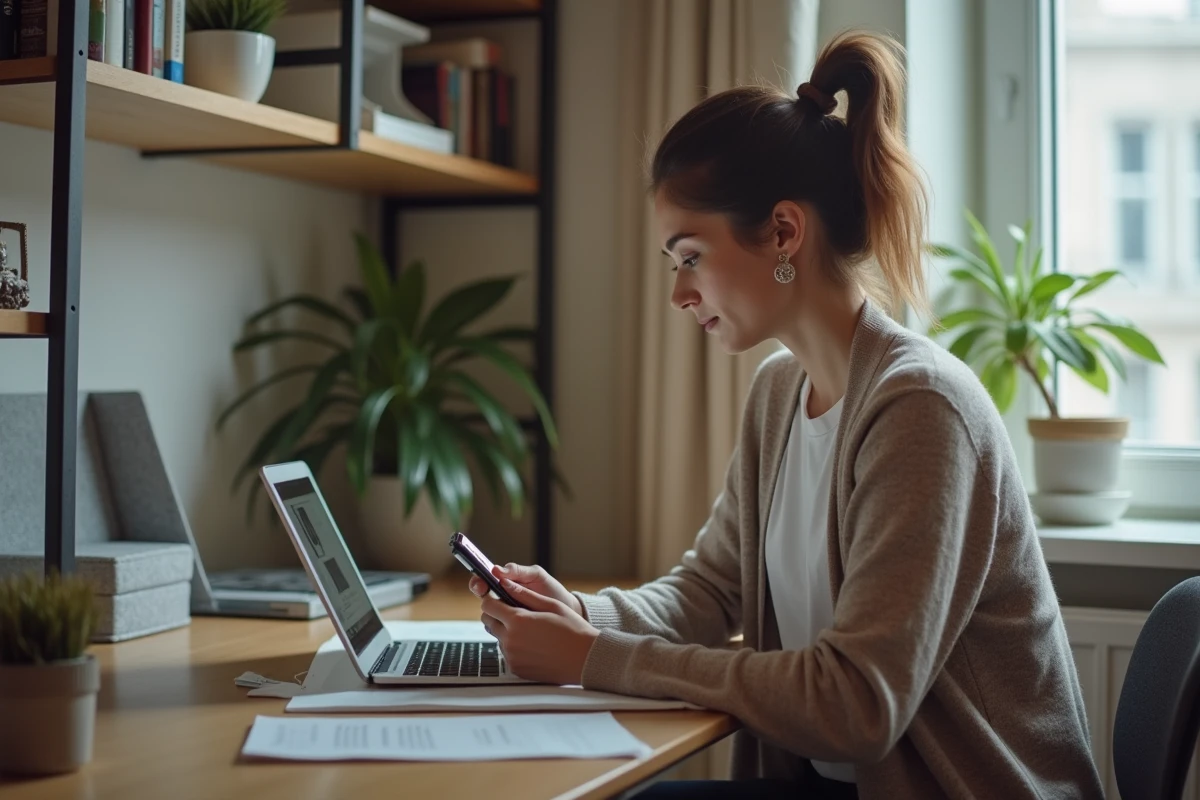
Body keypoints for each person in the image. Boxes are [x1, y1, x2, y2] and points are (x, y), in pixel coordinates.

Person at [467, 30, 1104, 800]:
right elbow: (711, 590)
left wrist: (594, 655)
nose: (679, 294)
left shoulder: (920, 409)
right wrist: (581, 613)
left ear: (782, 232)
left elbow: (855, 704)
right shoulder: (779, 393)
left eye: (690, 256)